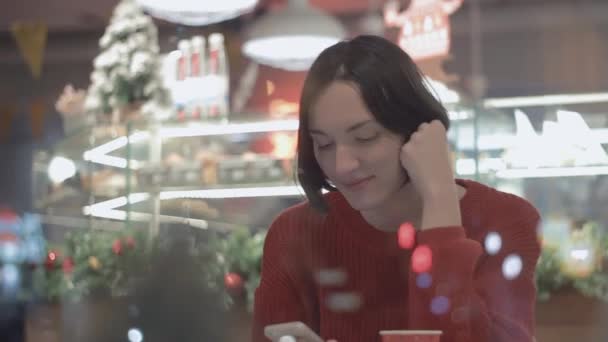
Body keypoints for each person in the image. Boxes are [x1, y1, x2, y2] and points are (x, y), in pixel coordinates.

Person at [252, 35, 541, 342]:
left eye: (365, 137)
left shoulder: (507, 219)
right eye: (323, 144)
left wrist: (440, 202)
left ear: (417, 129)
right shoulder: (296, 232)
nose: (341, 165)